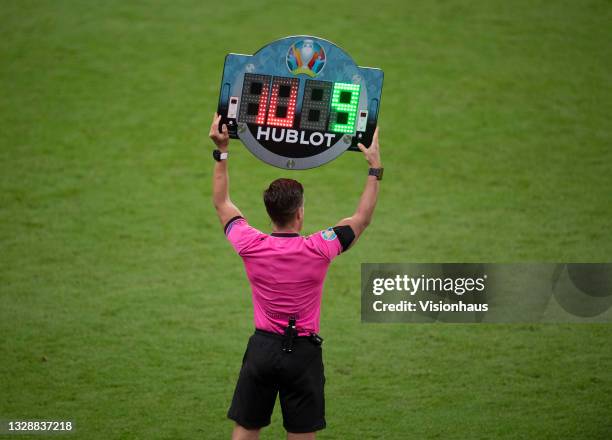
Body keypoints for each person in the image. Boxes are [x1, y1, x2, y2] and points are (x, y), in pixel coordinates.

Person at [209, 113, 383, 440]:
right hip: (303, 355)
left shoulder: (250, 243)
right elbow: (362, 219)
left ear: (270, 213)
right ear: (300, 212)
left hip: (262, 350)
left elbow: (222, 203)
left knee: (246, 430)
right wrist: (374, 168)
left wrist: (222, 151)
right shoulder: (320, 248)